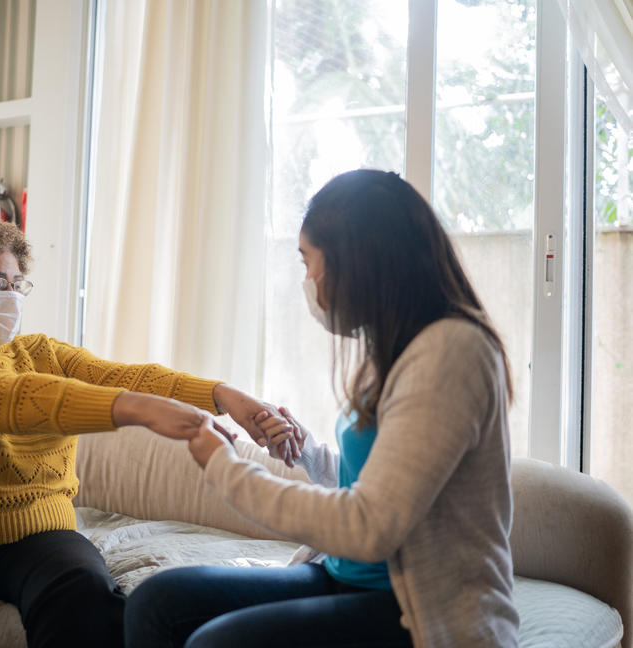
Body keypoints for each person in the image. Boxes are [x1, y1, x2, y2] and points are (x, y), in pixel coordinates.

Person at [125, 169, 520, 648]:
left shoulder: (451, 353)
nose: (307, 281)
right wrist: (307, 452)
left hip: (416, 610)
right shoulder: (393, 349)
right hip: (345, 577)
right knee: (156, 602)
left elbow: (370, 525)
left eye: (307, 261)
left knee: (216, 643)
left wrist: (225, 467)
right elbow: (374, 481)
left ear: (355, 263)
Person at [0, 219, 293, 648]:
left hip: (41, 534)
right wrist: (140, 410)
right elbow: (7, 397)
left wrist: (223, 395)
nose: (10, 295)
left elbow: (123, 376)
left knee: (88, 607)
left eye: (16, 284)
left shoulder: (42, 353)